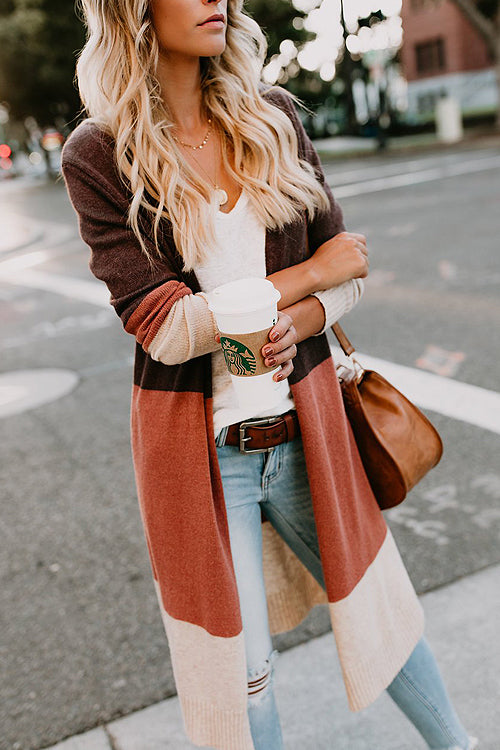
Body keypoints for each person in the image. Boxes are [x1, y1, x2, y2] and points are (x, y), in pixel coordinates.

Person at [61, 1, 478, 749]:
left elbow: (349, 271)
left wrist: (309, 315)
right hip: (204, 459)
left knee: (381, 611)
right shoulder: (99, 153)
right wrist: (308, 274)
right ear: (134, 11)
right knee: (243, 671)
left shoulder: (272, 116)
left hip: (307, 424)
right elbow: (168, 328)